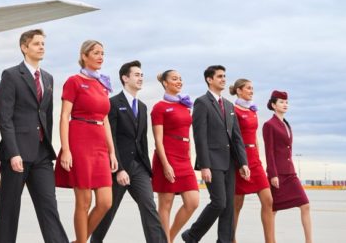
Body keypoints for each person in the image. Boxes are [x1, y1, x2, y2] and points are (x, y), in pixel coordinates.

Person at [0, 29, 69, 243]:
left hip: (41, 154)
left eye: (43, 43)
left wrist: (48, 145)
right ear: (24, 47)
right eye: (37, 43)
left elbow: (47, 115)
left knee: (49, 208)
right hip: (16, 154)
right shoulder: (10, 75)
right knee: (9, 211)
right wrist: (13, 152)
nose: (41, 47)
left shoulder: (48, 78)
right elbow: (5, 118)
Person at [91, 61, 167, 243]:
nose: (141, 78)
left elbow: (142, 140)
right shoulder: (113, 104)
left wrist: (147, 171)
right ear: (125, 78)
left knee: (149, 207)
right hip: (117, 166)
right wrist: (119, 169)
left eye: (142, 75)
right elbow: (111, 138)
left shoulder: (142, 107)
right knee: (108, 210)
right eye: (136, 75)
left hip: (139, 167)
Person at [55, 40, 118, 243]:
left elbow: (106, 120)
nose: (101, 57)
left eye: (103, 53)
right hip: (80, 138)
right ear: (84, 56)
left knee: (106, 202)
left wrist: (112, 152)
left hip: (100, 140)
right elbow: (65, 116)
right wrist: (66, 149)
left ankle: (78, 241)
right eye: (96, 53)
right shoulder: (73, 81)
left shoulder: (102, 84)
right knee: (84, 201)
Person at [182, 65, 250, 243]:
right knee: (219, 202)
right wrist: (204, 165)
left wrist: (243, 162)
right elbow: (200, 136)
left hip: (230, 163)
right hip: (212, 162)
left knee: (228, 208)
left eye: (224, 76)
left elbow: (236, 136)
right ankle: (192, 236)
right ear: (209, 79)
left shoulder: (228, 105)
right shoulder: (202, 103)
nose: (223, 79)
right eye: (219, 76)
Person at [151, 70, 199, 243]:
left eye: (180, 78)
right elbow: (158, 139)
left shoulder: (185, 106)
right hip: (167, 155)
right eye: (174, 79)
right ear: (165, 83)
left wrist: (189, 155)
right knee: (166, 203)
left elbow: (188, 134)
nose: (179, 81)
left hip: (184, 157)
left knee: (193, 201)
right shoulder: (159, 107)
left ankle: (168, 238)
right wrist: (165, 164)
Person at [263, 90, 313, 243]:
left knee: (305, 204)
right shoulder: (269, 125)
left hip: (290, 173)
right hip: (277, 173)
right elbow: (269, 151)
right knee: (273, 209)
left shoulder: (286, 124)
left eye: (286, 102)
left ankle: (309, 241)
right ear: (273, 105)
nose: (285, 104)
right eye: (281, 102)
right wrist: (273, 174)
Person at [229, 79, 274, 243]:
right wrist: (241, 162)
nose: (251, 91)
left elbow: (255, 136)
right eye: (248, 88)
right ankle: (231, 239)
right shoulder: (233, 110)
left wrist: (258, 155)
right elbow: (232, 137)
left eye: (252, 88)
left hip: (254, 158)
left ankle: (270, 240)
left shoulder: (253, 110)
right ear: (239, 91)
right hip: (240, 158)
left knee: (268, 200)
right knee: (237, 203)